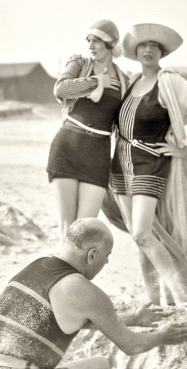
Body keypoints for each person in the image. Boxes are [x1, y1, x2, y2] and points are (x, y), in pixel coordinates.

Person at [0, 218, 187, 369]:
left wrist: (134, 318)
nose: (107, 263)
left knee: (99, 365)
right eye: (107, 256)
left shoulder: (37, 266)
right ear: (92, 254)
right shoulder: (83, 290)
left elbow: (66, 320)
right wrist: (163, 336)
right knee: (106, 367)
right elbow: (132, 345)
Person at [108, 23, 187, 314]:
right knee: (141, 237)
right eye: (142, 46)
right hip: (120, 165)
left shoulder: (170, 82)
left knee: (142, 233)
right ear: (135, 52)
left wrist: (185, 149)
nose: (147, 50)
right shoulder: (131, 81)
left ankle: (181, 298)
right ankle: (155, 300)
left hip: (151, 163)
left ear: (161, 52)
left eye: (154, 47)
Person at [47, 20, 129, 242]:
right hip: (67, 147)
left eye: (97, 41)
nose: (91, 46)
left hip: (98, 154)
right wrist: (95, 82)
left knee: (84, 230)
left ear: (110, 44)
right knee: (67, 227)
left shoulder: (124, 80)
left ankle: (74, 275)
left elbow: (127, 120)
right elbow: (60, 89)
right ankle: (67, 276)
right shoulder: (79, 63)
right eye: (89, 40)